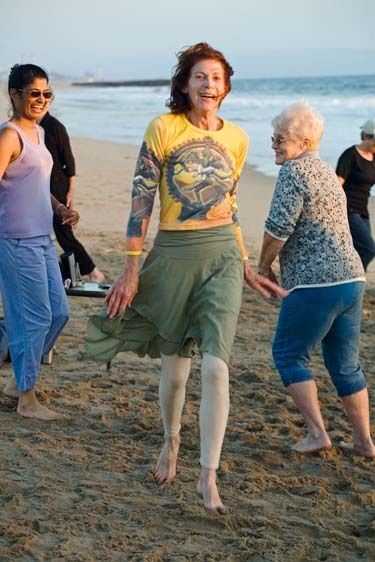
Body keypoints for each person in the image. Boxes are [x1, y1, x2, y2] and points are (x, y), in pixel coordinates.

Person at [86, 43, 285, 515]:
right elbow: (141, 202)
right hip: (173, 254)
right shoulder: (163, 129)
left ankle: (207, 477)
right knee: (175, 373)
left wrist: (243, 263)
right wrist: (131, 269)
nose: (208, 86)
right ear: (184, 83)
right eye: (199, 77)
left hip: (220, 255)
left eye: (216, 78)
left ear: (226, 86)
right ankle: (170, 442)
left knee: (217, 366)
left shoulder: (237, 139)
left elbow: (231, 206)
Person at [258, 101, 375, 458]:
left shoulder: (294, 172)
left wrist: (263, 268)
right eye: (273, 137)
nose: (274, 144)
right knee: (345, 365)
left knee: (288, 354)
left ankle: (316, 434)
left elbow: (278, 228)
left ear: (304, 142)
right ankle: (364, 442)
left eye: (281, 139)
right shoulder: (324, 170)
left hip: (315, 284)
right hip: (352, 280)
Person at [0, 64, 79, 420]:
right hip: (16, 241)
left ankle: (19, 380)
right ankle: (26, 399)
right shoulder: (9, 136)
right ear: (14, 95)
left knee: (59, 312)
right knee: (32, 317)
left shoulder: (40, 133)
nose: (41, 100)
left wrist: (59, 206)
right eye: (34, 93)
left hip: (43, 238)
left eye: (47, 94)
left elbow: (33, 184)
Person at [40, 112, 105, 282]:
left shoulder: (55, 126)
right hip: (40, 186)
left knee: (64, 233)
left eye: (46, 96)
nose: (41, 101)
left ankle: (93, 271)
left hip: (58, 186)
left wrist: (71, 191)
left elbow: (69, 161)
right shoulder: (32, 127)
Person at [336, 119, 375, 271]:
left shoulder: (373, 158)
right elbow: (337, 184)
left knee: (359, 251)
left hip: (363, 211)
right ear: (366, 136)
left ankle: (353, 283)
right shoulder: (350, 155)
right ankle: (354, 280)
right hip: (348, 208)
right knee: (369, 249)